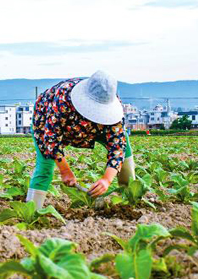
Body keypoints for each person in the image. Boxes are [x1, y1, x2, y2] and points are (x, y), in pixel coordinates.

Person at [26, 70, 135, 209]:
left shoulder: (112, 106)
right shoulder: (62, 99)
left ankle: (129, 202)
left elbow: (118, 147)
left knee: (125, 154)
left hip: (96, 129)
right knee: (45, 166)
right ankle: (32, 210)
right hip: (51, 119)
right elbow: (51, 141)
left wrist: (107, 180)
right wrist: (65, 171)